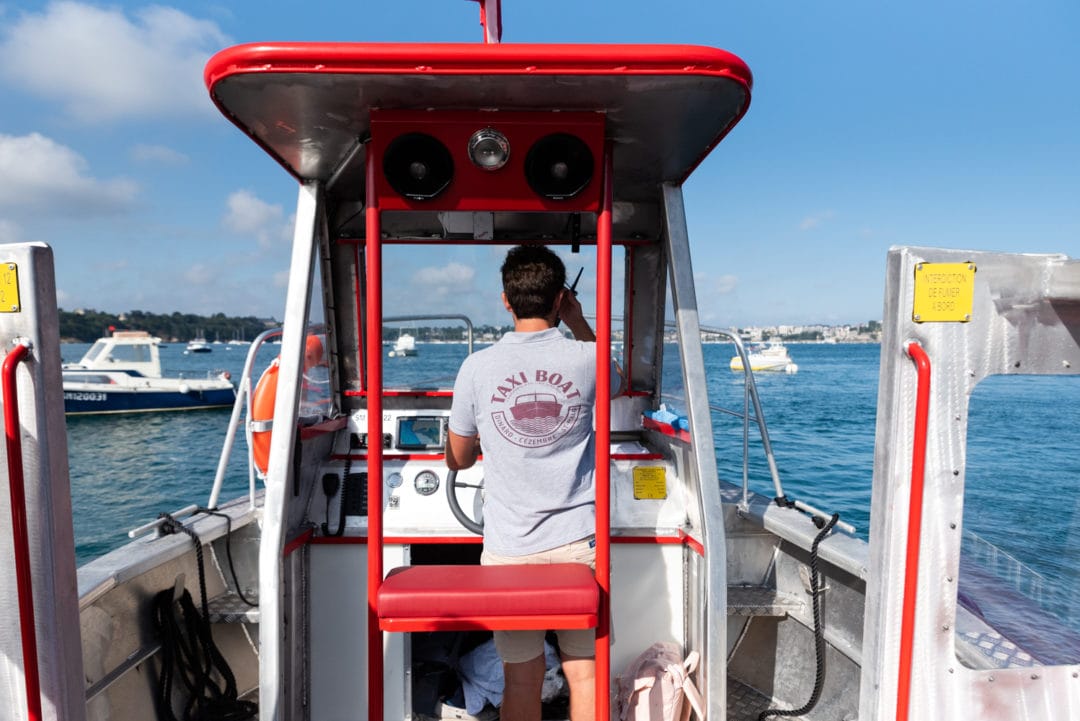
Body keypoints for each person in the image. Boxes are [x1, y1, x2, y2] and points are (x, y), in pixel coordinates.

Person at [446, 244, 617, 721]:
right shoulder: (587, 358)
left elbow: (458, 459)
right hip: (579, 545)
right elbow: (618, 382)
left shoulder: (476, 368)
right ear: (561, 298)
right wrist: (578, 321)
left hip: (509, 548)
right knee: (584, 672)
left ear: (506, 301)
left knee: (522, 677)